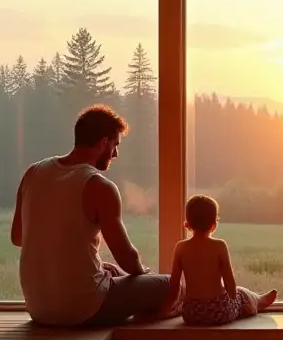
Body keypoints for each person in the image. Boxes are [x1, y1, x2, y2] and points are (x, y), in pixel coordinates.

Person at [11, 104, 177, 327]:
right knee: (171, 286)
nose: (116, 153)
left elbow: (18, 238)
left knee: (108, 270)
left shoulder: (33, 173)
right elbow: (127, 256)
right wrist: (145, 275)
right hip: (83, 309)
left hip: (37, 309)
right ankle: (149, 316)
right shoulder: (99, 186)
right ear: (103, 142)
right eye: (115, 145)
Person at [161, 194, 277, 326]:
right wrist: (235, 296)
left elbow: (174, 284)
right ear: (214, 225)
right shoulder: (219, 246)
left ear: (187, 224)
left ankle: (253, 301)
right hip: (219, 311)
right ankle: (258, 301)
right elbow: (230, 283)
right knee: (241, 293)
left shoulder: (180, 247)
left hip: (191, 313)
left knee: (234, 295)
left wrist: (168, 308)